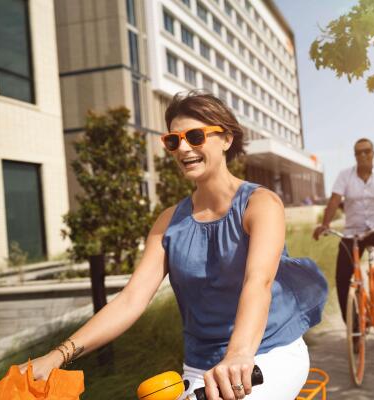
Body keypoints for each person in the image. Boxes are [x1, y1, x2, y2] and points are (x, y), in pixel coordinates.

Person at [20, 91, 328, 400]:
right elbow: (131, 300)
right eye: (173, 141)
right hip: (200, 369)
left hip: (265, 353)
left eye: (195, 136)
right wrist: (57, 356)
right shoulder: (169, 223)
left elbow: (257, 282)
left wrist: (237, 355)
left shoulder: (260, 205)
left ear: (226, 138)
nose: (183, 148)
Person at [312, 138, 374, 322]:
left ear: (373, 153)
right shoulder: (345, 175)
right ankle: (352, 323)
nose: (363, 155)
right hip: (353, 232)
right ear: (355, 156)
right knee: (342, 277)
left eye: (367, 151)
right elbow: (334, 201)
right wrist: (325, 224)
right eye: (358, 152)